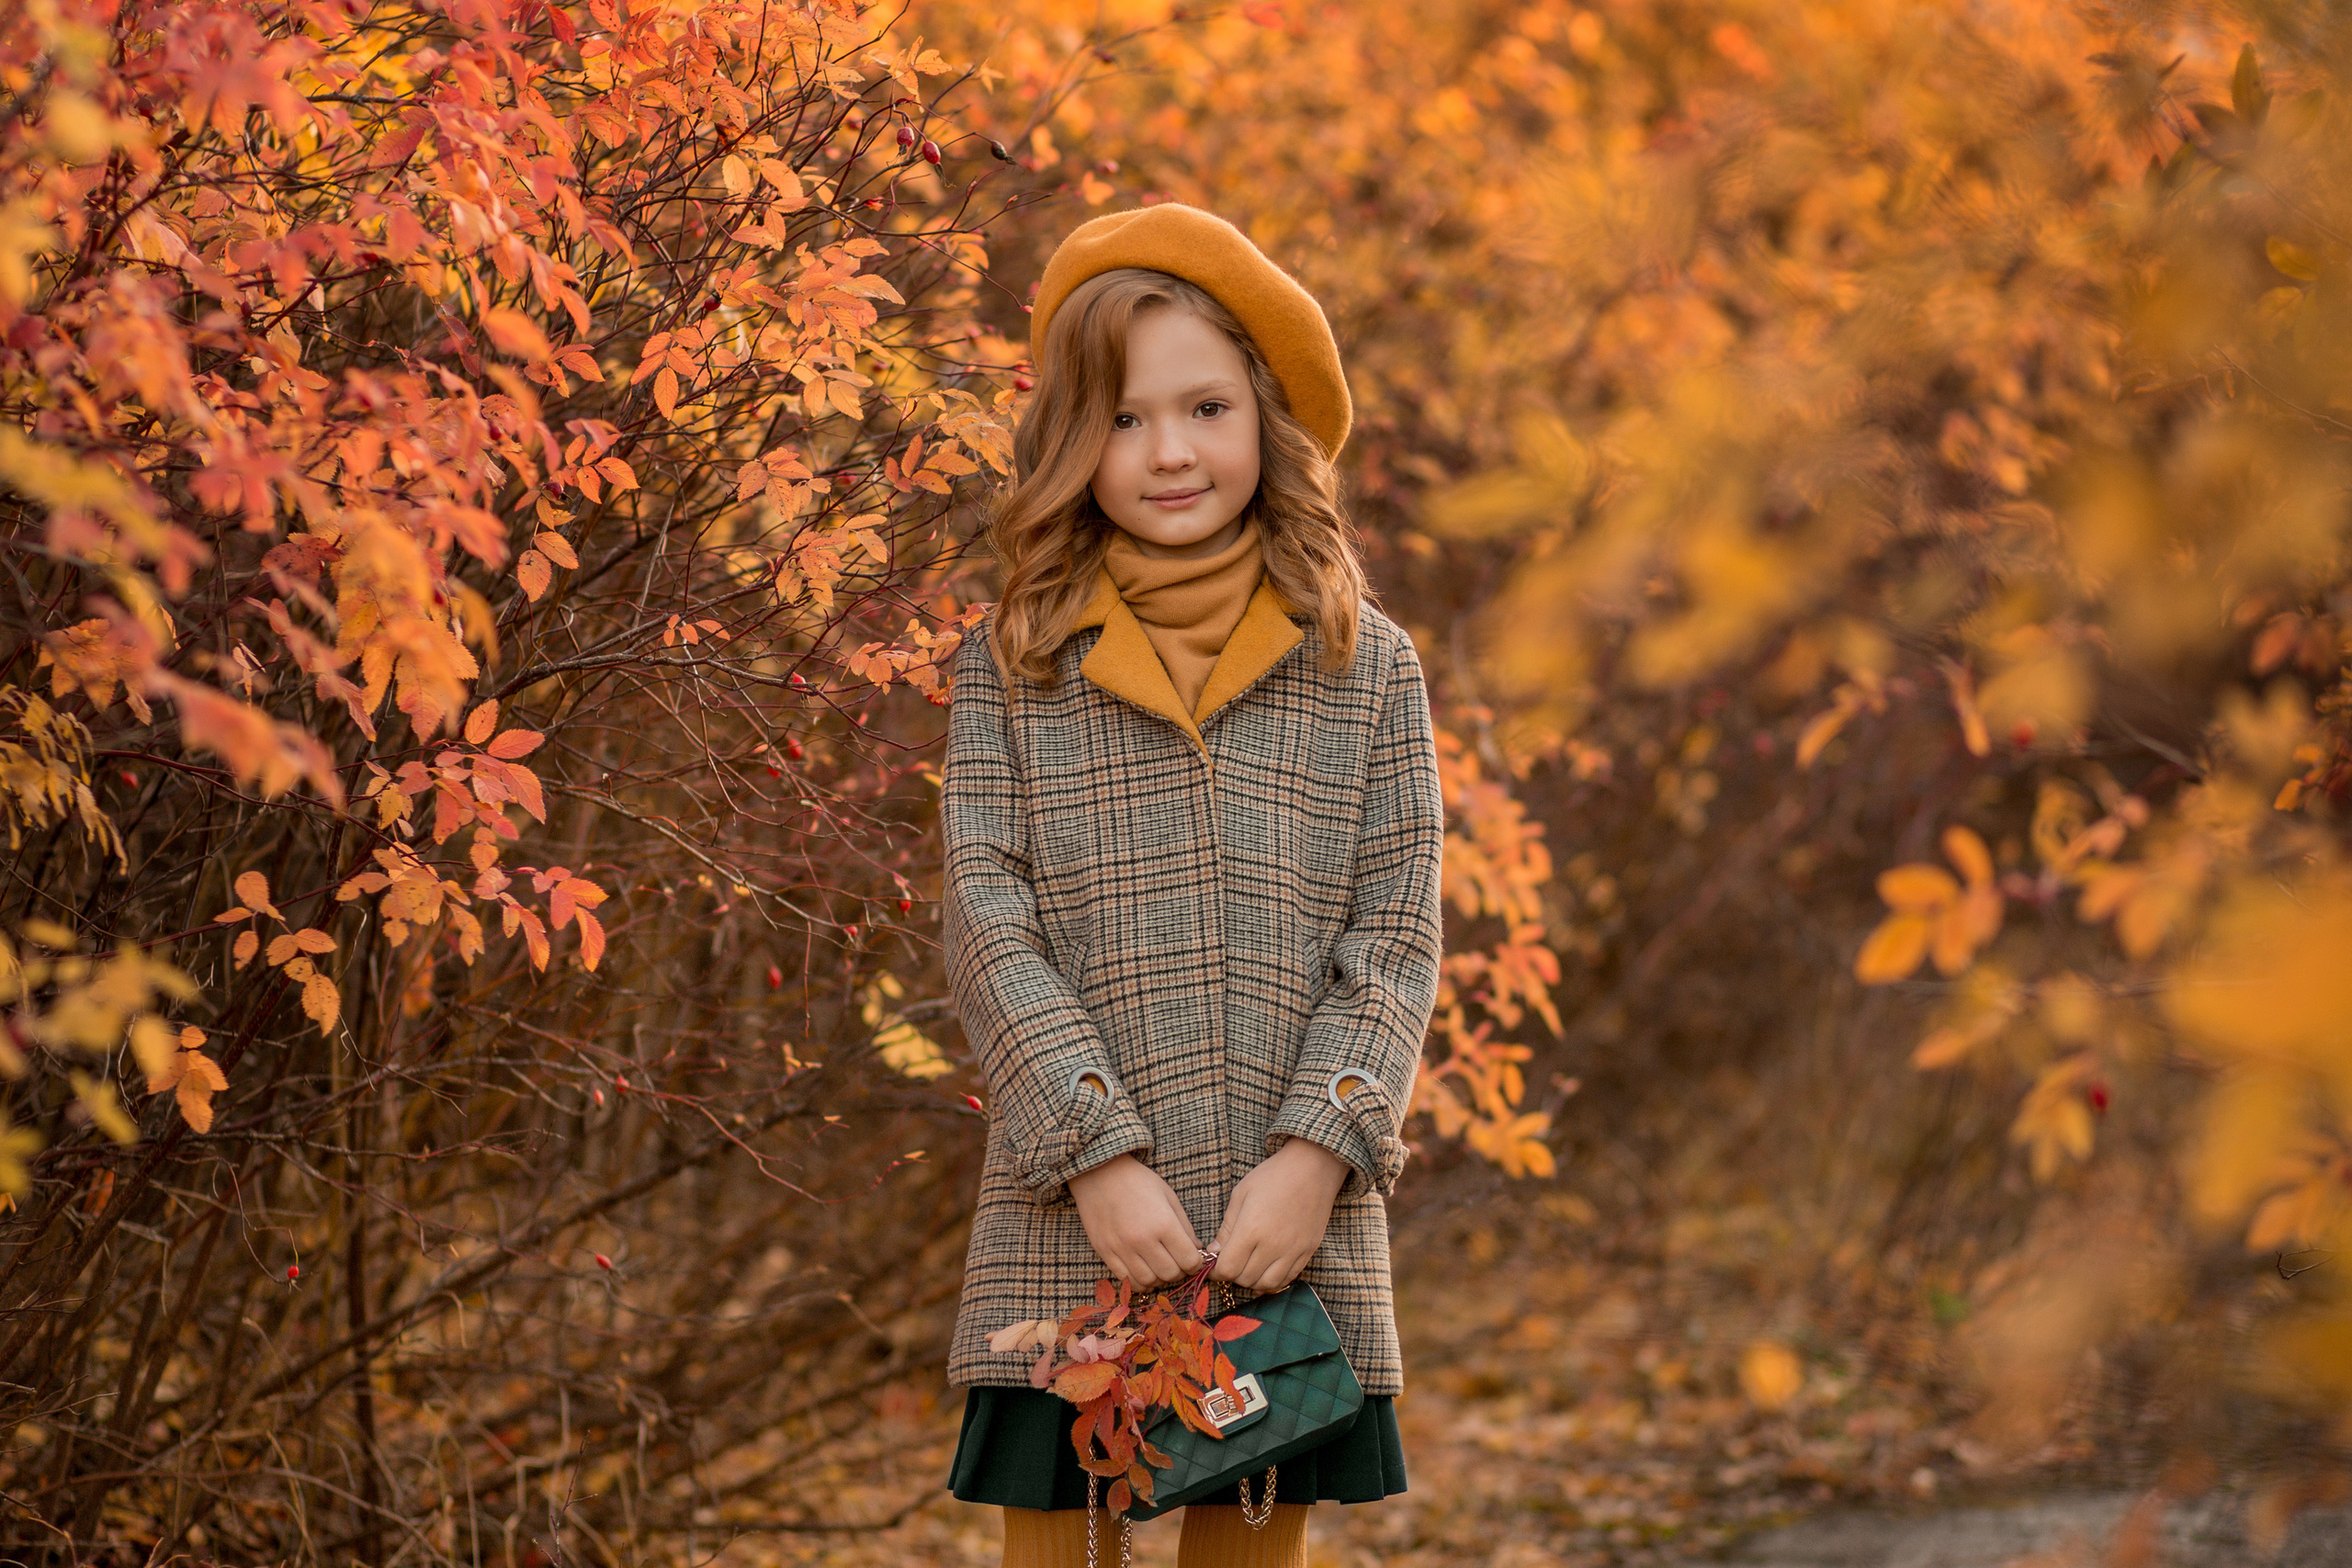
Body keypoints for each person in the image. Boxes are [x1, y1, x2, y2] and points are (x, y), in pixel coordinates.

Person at [940, 203, 1443, 1568]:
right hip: (1068, 1214)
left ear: (1268, 420)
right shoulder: (1016, 659)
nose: (1168, 451)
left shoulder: (1367, 664)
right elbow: (987, 917)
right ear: (1071, 443)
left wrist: (1317, 1154)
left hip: (1281, 1231)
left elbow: (1395, 936)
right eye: (1121, 417)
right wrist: (1094, 1152)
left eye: (1206, 406)